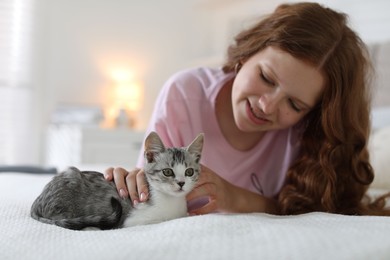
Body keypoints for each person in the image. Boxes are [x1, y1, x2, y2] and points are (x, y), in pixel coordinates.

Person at [105, 2, 390, 216]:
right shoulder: (184, 94)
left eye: (294, 103)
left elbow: (314, 208)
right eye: (266, 78)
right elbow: (149, 189)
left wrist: (233, 197)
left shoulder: (305, 135)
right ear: (247, 54)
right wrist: (131, 182)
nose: (266, 105)